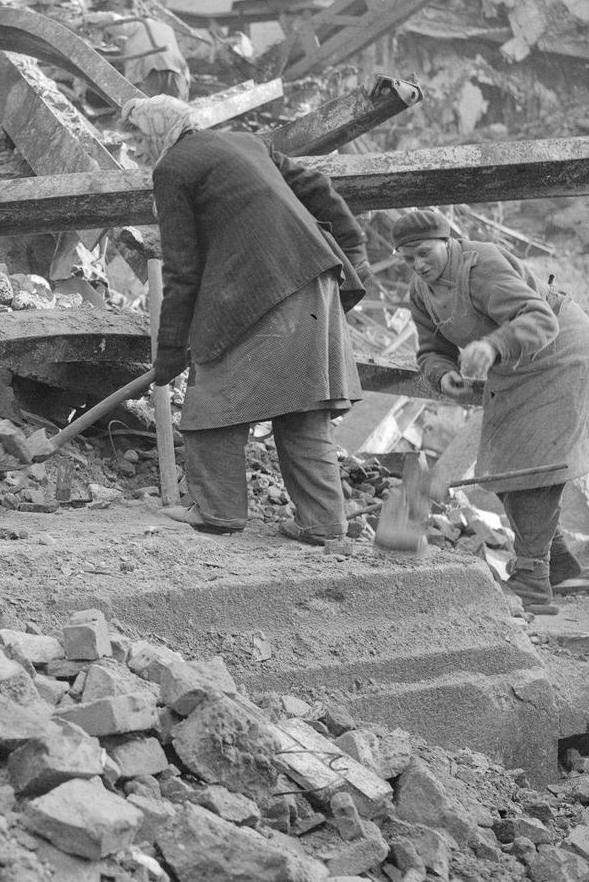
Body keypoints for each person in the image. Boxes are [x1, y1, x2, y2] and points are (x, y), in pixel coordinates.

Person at [130, 95, 374, 544]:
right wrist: (352, 251)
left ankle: (218, 510)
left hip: (260, 289)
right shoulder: (246, 142)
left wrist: (169, 356)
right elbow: (318, 187)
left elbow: (183, 271)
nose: (133, 147)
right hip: (314, 277)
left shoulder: (173, 169)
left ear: (158, 133)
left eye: (137, 136)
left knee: (211, 399)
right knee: (304, 404)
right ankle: (322, 523)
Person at [394, 208, 589, 611]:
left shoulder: (480, 264)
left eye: (425, 253)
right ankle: (561, 567)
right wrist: (442, 374)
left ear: (447, 240)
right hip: (514, 362)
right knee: (500, 464)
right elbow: (431, 348)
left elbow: (538, 318)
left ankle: (532, 586)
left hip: (559, 349)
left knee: (533, 465)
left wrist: (492, 346)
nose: (419, 265)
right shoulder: (421, 290)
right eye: (408, 258)